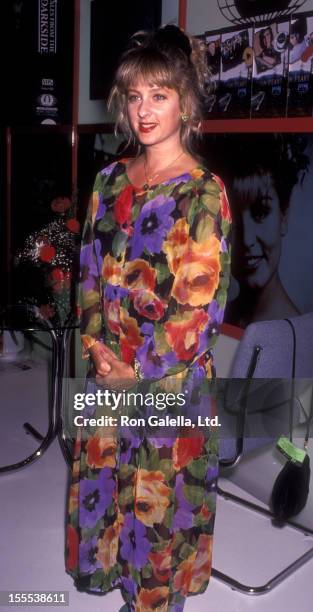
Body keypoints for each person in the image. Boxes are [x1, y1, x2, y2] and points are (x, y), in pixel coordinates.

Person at [65, 25, 232, 611]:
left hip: (167, 381)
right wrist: (97, 349)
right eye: (134, 96)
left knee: (158, 507)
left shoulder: (204, 194)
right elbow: (87, 274)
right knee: (111, 490)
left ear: (185, 102)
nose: (144, 110)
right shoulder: (108, 181)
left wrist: (133, 371)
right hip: (109, 368)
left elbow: (201, 312)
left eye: (158, 95)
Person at [219, 134, 309, 328]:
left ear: (284, 215)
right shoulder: (216, 315)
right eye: (231, 216)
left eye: (261, 212)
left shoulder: (294, 335)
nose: (247, 239)